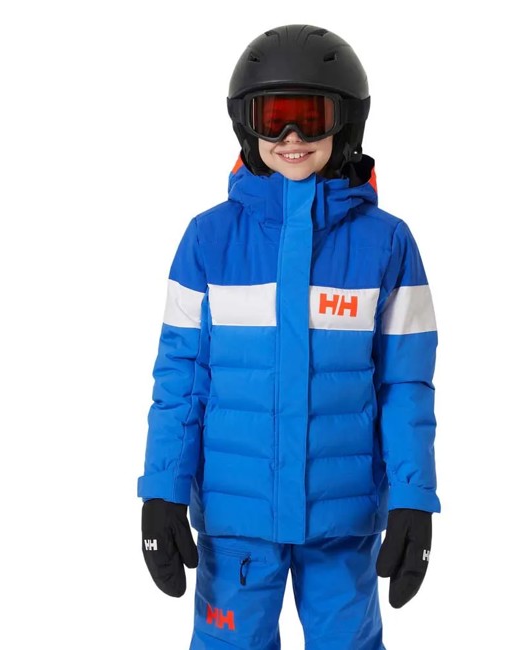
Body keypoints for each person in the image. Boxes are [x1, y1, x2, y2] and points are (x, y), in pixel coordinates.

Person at [137, 23, 440, 650]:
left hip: (342, 522)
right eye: (273, 119)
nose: (292, 138)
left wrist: (414, 497)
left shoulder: (387, 244)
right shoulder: (209, 240)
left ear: (346, 123)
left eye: (311, 117)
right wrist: (162, 489)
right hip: (236, 522)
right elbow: (181, 381)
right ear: (246, 126)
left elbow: (406, 385)